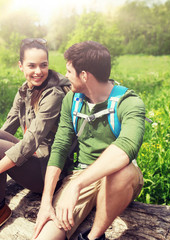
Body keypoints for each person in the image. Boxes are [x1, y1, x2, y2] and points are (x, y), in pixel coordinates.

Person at [32, 41, 145, 240]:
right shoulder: (72, 100)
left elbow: (126, 148)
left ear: (84, 75)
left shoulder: (129, 102)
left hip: (116, 176)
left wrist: (77, 186)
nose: (65, 76)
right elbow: (59, 148)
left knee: (124, 171)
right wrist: (46, 203)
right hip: (80, 174)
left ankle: (93, 237)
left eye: (69, 71)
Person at [0, 38, 70, 239]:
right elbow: (9, 125)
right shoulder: (25, 89)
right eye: (32, 65)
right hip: (35, 159)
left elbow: (33, 138)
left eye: (43, 65)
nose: (38, 71)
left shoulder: (54, 94)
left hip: (49, 171)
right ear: (21, 66)